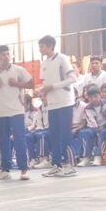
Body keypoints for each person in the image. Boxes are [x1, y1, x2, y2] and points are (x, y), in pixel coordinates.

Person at [0, 45, 33, 180]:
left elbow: (31, 84)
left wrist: (18, 84)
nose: (6, 57)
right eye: (3, 54)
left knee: (19, 139)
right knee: (3, 141)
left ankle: (24, 169)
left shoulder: (19, 70)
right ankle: (5, 169)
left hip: (17, 110)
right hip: (1, 111)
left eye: (8, 54)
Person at [38, 35, 77, 177]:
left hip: (65, 102)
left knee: (65, 134)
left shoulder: (62, 58)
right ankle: (56, 164)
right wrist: (43, 92)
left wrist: (53, 87)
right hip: (52, 104)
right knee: (53, 135)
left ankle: (70, 165)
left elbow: (72, 78)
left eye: (42, 47)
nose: (40, 50)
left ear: (50, 46)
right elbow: (44, 83)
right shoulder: (44, 63)